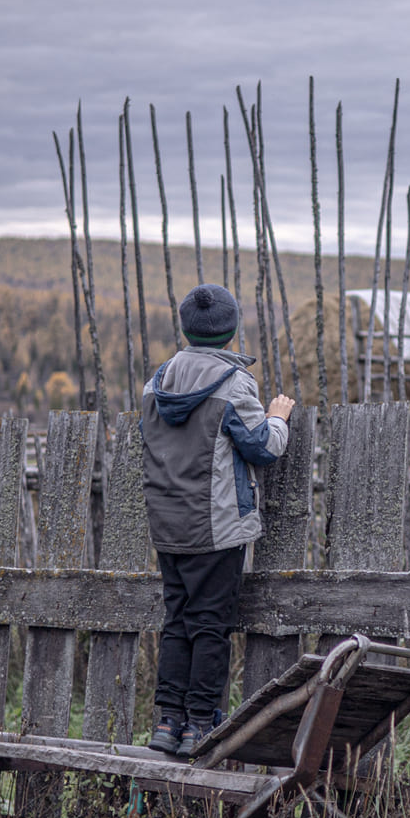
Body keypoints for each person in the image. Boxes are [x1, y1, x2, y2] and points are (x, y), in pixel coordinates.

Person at [140, 283, 294, 756]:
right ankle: (201, 724)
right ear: (230, 333)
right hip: (217, 525)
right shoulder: (234, 384)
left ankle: (168, 722)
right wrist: (278, 417)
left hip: (168, 524)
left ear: (185, 327)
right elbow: (262, 448)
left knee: (177, 620)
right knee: (211, 624)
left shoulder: (157, 383)